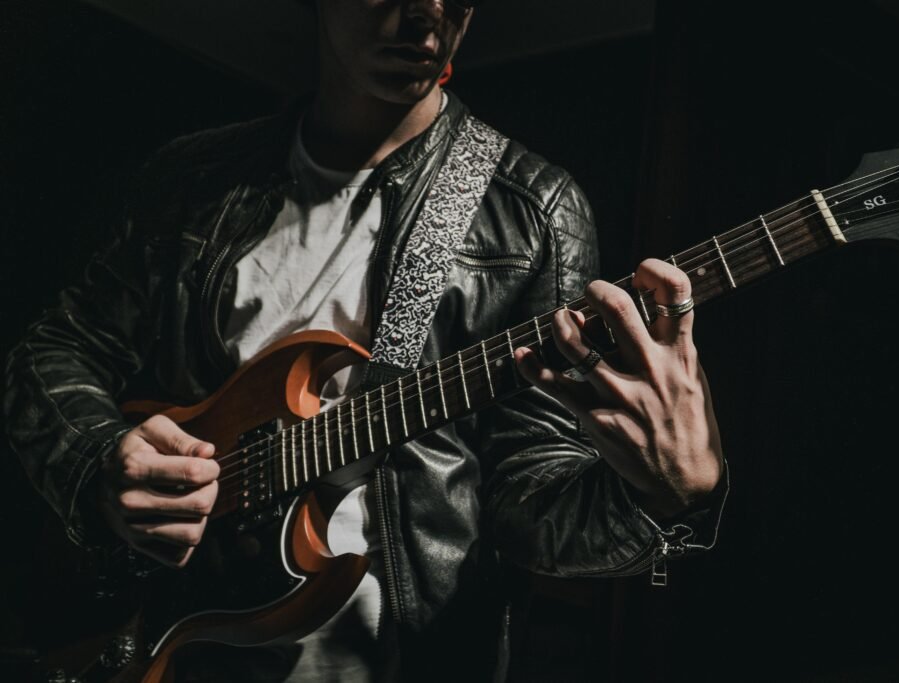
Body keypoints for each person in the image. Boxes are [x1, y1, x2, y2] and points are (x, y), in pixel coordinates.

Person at [4, 0, 726, 680]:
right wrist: (99, 463)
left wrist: (663, 499)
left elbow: (529, 505)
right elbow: (53, 350)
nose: (428, 17)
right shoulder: (191, 180)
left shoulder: (533, 210)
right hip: (178, 640)